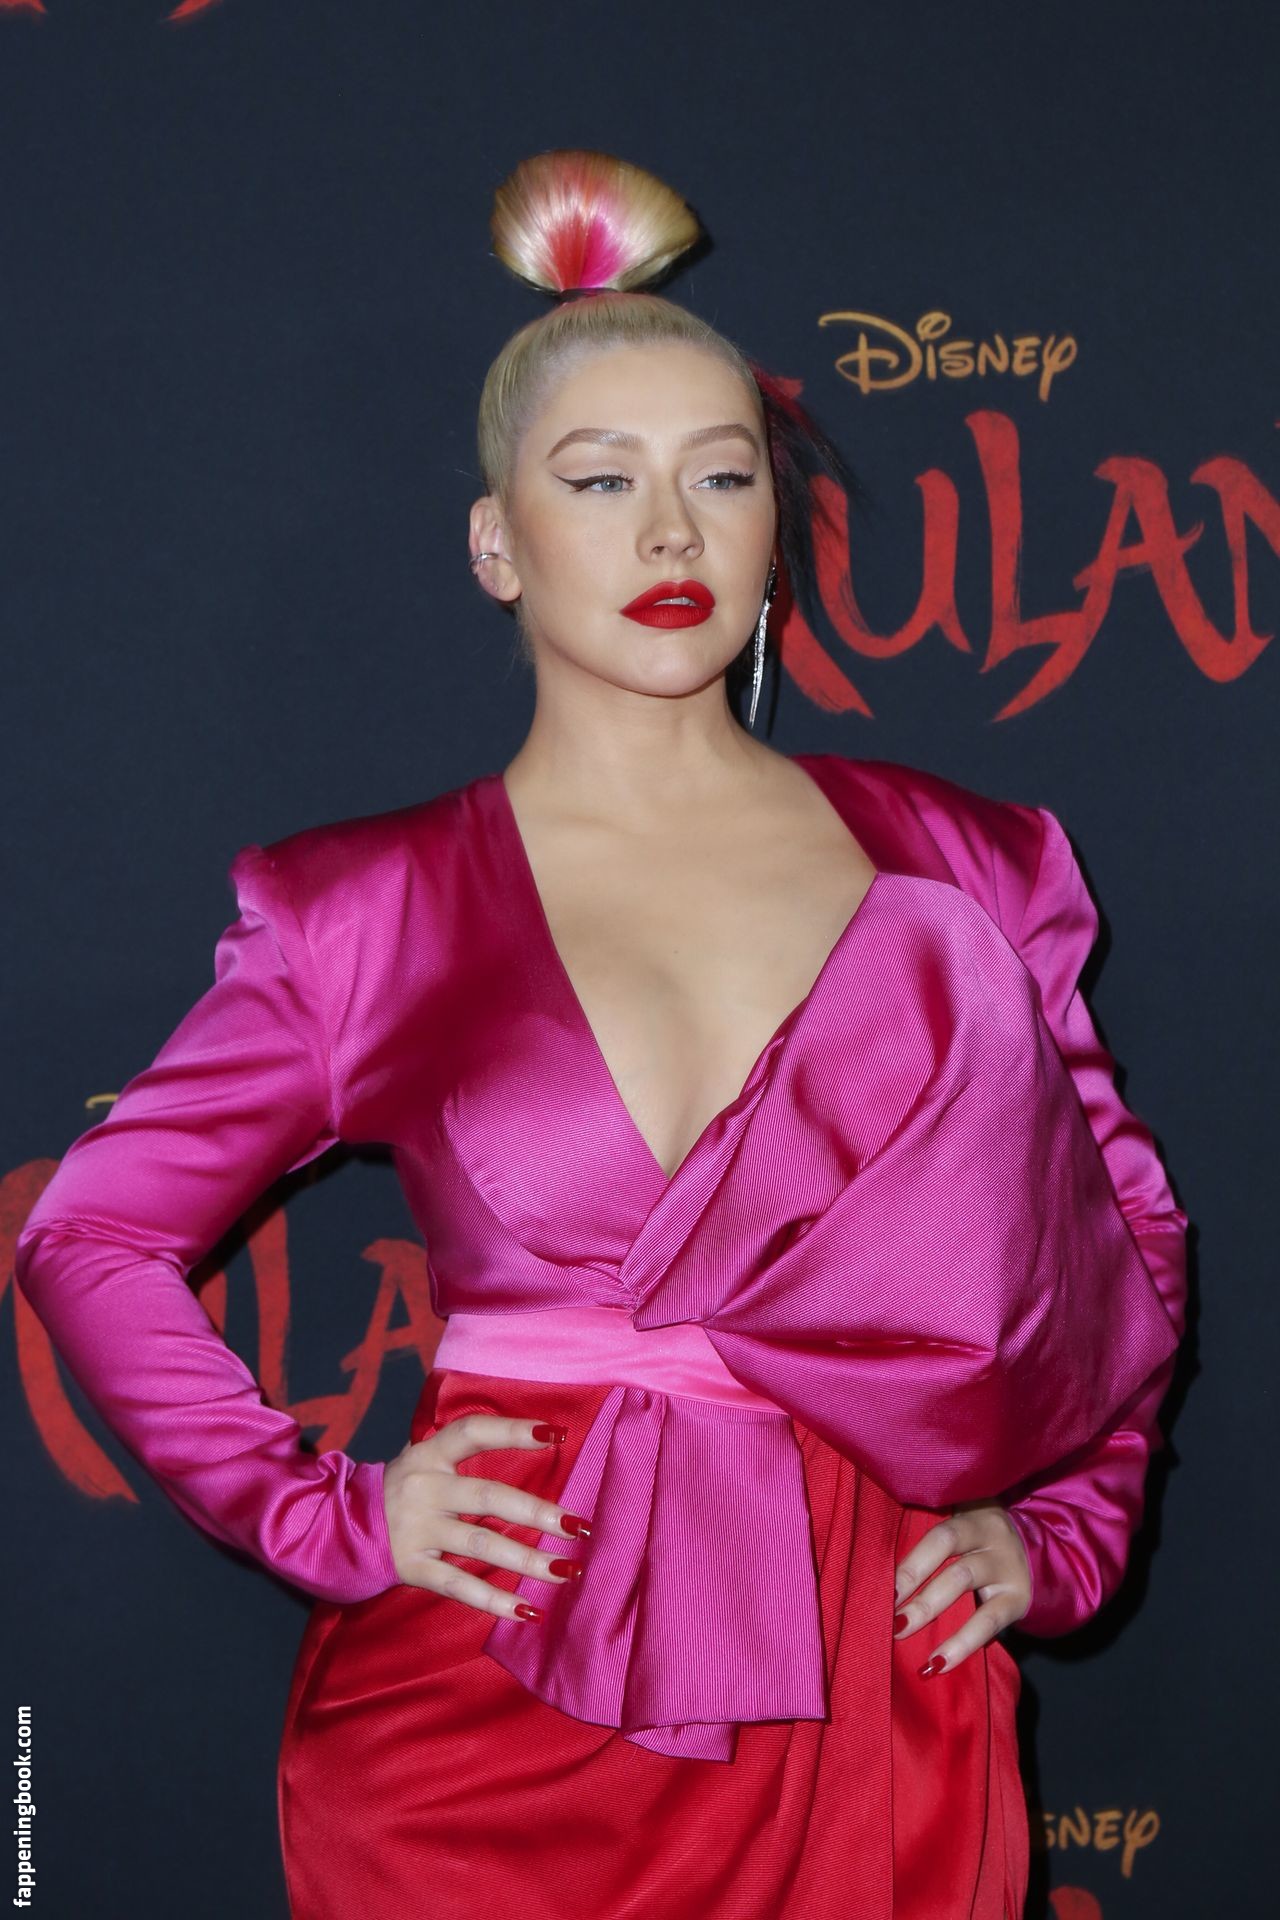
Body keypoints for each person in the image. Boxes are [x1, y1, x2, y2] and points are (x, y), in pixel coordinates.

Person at [14, 150, 1188, 1920]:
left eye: (723, 474)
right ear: (495, 543)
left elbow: (1125, 1253)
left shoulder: (973, 863)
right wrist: (325, 1514)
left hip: (871, 1679)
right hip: (488, 1714)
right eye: (600, 478)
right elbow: (90, 1234)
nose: (670, 533)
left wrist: (1067, 1530)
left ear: (776, 528)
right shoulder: (369, 909)